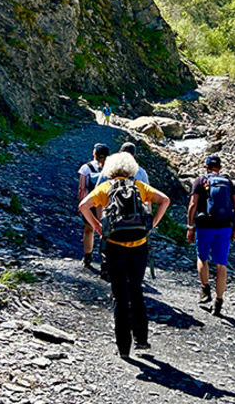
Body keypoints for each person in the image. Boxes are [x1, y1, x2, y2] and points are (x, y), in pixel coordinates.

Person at [79, 152, 171, 359]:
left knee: (119, 295)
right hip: (139, 245)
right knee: (136, 289)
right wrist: (152, 224)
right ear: (131, 169)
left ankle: (123, 347)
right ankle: (142, 340)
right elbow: (165, 200)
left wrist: (95, 225)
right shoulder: (139, 186)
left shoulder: (105, 187)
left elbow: (83, 206)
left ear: (110, 170)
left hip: (114, 246)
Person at [186, 155, 235, 316]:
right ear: (220, 167)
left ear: (207, 166)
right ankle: (218, 302)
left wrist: (190, 226)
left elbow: (193, 204)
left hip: (205, 225)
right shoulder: (228, 182)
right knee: (221, 265)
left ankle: (205, 290)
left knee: (202, 257)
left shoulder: (200, 181)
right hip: (224, 226)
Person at [77, 143, 109, 268]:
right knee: (105, 232)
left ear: (94, 154)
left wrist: (82, 204)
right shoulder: (111, 168)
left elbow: (82, 188)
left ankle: (87, 257)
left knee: (89, 229)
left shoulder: (86, 168)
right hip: (106, 204)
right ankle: (105, 259)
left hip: (91, 202)